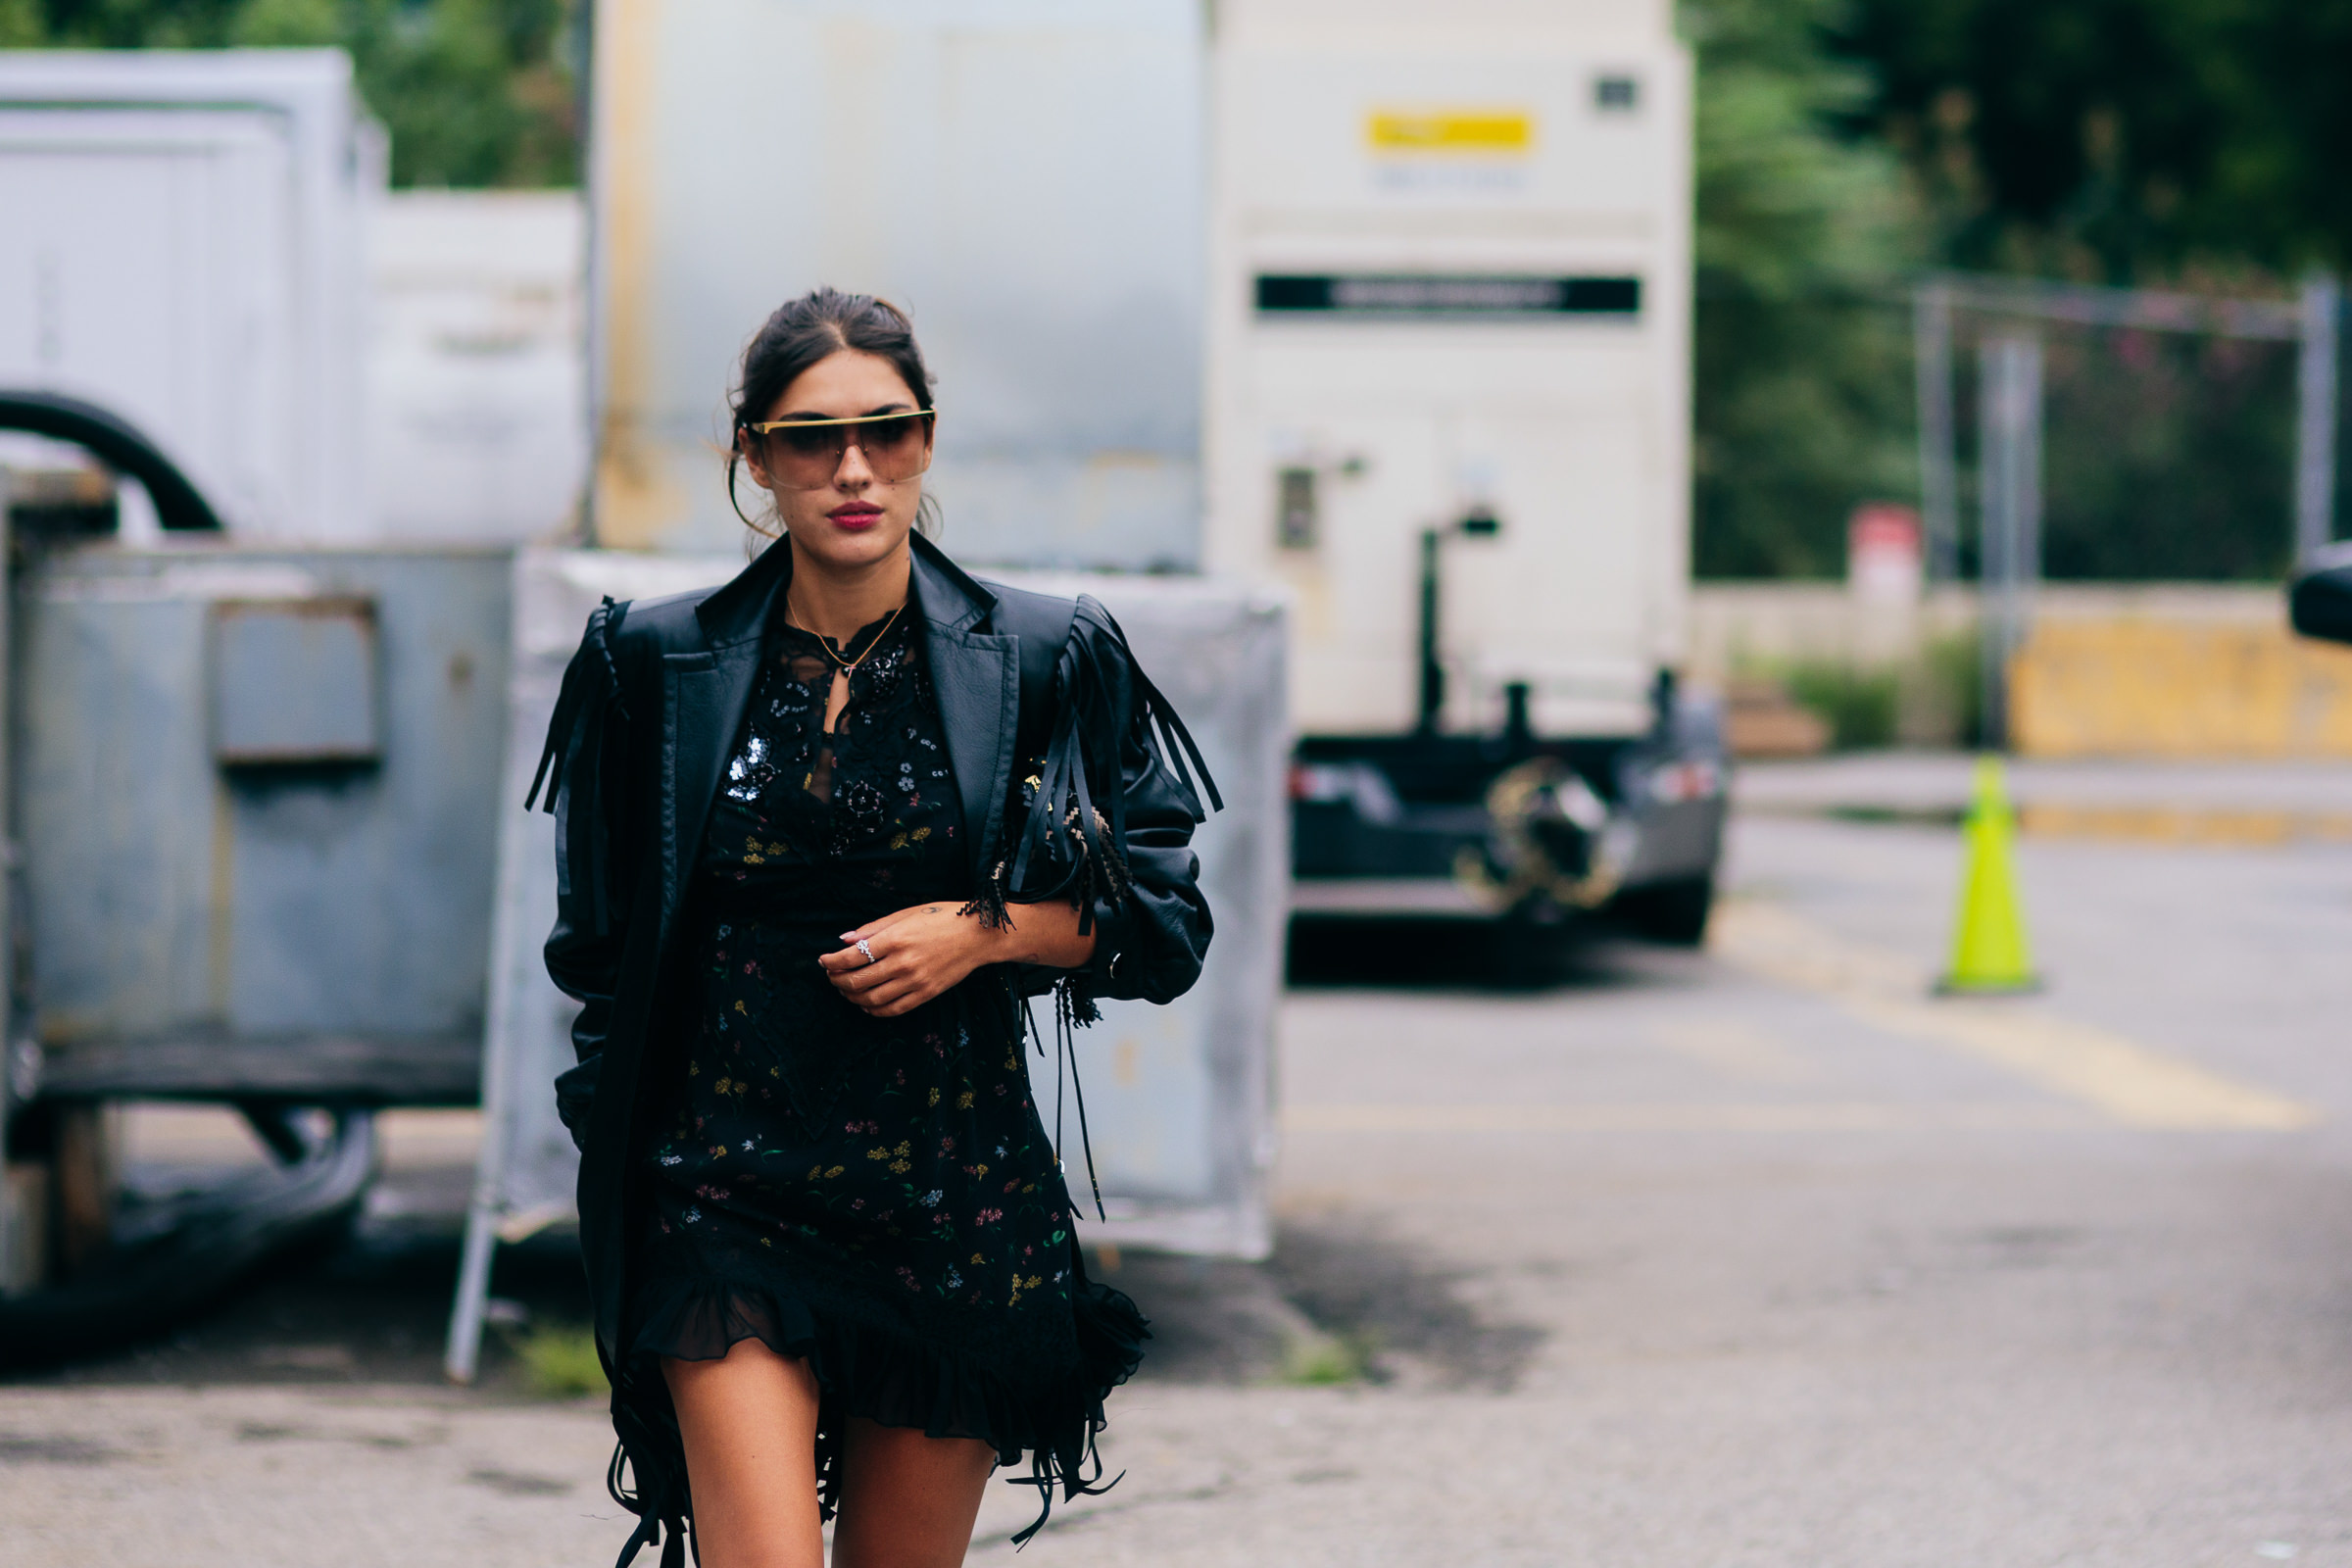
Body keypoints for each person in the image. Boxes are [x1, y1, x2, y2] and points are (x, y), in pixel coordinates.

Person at [530, 287, 1218, 1568]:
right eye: (810, 438)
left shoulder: (1043, 656)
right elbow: (600, 960)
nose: (853, 469)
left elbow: (1162, 921)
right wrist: (623, 1162)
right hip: (723, 1191)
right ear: (752, 456)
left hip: (950, 1199)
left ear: (929, 440)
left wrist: (985, 929)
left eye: (887, 431)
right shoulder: (652, 663)